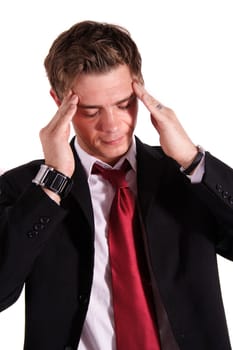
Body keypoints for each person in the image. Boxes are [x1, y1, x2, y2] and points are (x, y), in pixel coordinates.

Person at [0, 20, 233, 350]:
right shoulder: (27, 190)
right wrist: (52, 183)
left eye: (124, 104)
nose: (112, 126)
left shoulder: (186, 178)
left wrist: (194, 161)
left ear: (139, 88)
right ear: (58, 101)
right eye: (91, 110)